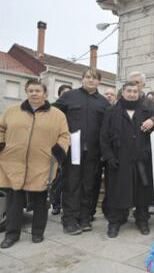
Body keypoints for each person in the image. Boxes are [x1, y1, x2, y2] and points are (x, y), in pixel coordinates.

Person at [0, 79, 70, 248]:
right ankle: (12, 234)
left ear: (45, 94)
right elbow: (1, 129)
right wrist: (2, 145)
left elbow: (64, 136)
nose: (34, 93)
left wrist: (57, 153)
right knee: (14, 201)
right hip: (14, 163)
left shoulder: (57, 115)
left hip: (43, 163)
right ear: (26, 91)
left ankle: (37, 233)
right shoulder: (11, 111)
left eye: (38, 91)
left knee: (40, 200)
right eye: (30, 90)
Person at [100, 82, 154, 238]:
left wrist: (153, 120)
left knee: (142, 193)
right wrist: (109, 157)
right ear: (123, 92)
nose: (132, 94)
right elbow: (104, 137)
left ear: (139, 93)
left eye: (135, 91)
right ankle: (114, 222)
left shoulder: (147, 110)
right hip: (119, 161)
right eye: (129, 91)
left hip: (141, 160)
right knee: (116, 193)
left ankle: (142, 220)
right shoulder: (112, 111)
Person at [54, 68, 110, 235]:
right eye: (87, 77)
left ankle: (85, 218)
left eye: (94, 78)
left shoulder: (103, 102)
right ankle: (69, 220)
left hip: (94, 152)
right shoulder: (69, 97)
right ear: (82, 79)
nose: (90, 80)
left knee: (89, 186)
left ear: (98, 81)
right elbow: (53, 115)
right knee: (72, 185)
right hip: (72, 151)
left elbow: (108, 127)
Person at [50, 84, 72, 215]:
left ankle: (65, 204)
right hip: (57, 147)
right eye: (65, 93)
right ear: (59, 95)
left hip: (71, 147)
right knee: (57, 179)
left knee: (68, 178)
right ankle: (56, 204)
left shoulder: (73, 108)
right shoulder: (54, 108)